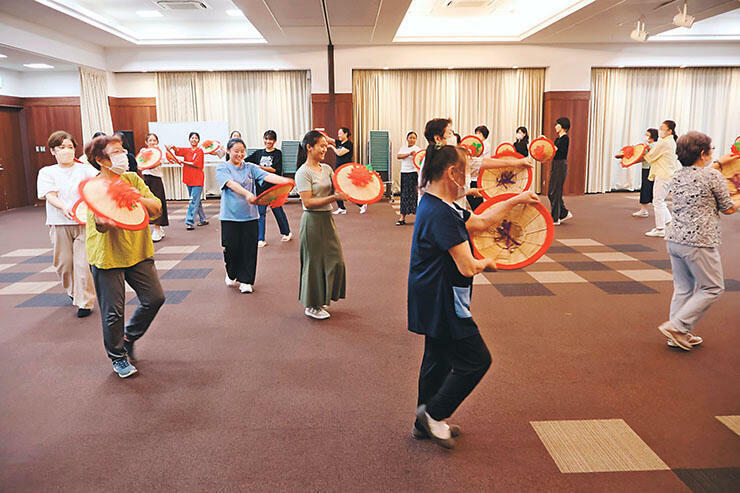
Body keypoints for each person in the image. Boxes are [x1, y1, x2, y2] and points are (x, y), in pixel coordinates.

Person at [408, 144, 541, 449]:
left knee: (437, 360)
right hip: (442, 300)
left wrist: (516, 199)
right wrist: (490, 262)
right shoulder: (441, 212)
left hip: (431, 294)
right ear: (451, 173)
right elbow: (468, 266)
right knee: (476, 360)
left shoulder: (437, 203)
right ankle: (433, 416)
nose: (469, 176)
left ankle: (421, 424)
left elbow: (480, 222)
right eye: (466, 170)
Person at [83, 134, 165, 378]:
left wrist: (131, 195)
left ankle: (129, 336)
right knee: (113, 311)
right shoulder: (94, 187)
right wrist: (107, 220)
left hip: (137, 250)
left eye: (122, 150)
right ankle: (118, 357)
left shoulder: (131, 179)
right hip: (107, 255)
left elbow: (157, 206)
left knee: (154, 298)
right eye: (116, 152)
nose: (123, 156)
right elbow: (99, 222)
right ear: (100, 159)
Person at [658, 132, 738, 351]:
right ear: (703, 153)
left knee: (683, 288)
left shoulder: (677, 175)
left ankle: (676, 333)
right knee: (712, 287)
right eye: (710, 150)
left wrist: (722, 162)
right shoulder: (712, 177)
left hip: (674, 238)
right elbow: (728, 208)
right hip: (699, 241)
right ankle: (677, 326)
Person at [217, 138, 294, 294]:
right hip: (229, 217)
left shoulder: (250, 167)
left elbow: (267, 176)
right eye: (236, 151)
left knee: (249, 249)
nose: (240, 154)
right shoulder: (222, 168)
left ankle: (246, 280)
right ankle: (231, 273)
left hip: (250, 216)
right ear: (228, 151)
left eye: (242, 151)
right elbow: (231, 184)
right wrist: (247, 193)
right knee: (231, 248)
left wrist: (285, 181)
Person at [36, 130, 98, 318]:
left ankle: (85, 302)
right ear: (53, 151)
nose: (66, 151)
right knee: (63, 264)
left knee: (82, 263)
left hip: (83, 222)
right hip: (59, 222)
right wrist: (63, 207)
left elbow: (98, 184)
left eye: (70, 147)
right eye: (62, 147)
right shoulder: (47, 172)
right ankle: (73, 291)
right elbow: (50, 195)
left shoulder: (85, 169)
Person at [294, 130, 348, 320]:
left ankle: (323, 296)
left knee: (336, 259)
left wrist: (359, 184)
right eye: (322, 146)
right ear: (310, 147)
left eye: (326, 145)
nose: (326, 149)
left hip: (327, 219)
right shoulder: (303, 172)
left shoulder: (327, 169)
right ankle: (312, 305)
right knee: (314, 263)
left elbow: (340, 186)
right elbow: (307, 202)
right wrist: (334, 197)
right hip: (312, 221)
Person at [420, 118, 532, 210]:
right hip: (443, 212)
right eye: (450, 133)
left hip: (448, 209)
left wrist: (516, 162)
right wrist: (467, 170)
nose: (454, 136)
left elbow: (483, 162)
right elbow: (455, 190)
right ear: (438, 138)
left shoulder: (449, 155)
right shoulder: (439, 160)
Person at [246, 130, 292, 247]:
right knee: (260, 213)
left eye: (270, 139)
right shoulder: (258, 153)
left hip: (274, 188)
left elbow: (275, 170)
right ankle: (260, 238)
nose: (268, 141)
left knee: (278, 211)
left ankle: (286, 232)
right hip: (260, 188)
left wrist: (260, 167)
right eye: (266, 139)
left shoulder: (278, 153)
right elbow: (245, 161)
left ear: (275, 141)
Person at [643, 120, 680, 237]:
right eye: (660, 127)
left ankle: (660, 228)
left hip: (664, 174)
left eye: (663, 128)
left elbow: (650, 156)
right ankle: (669, 224)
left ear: (670, 131)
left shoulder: (664, 143)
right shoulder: (668, 141)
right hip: (667, 174)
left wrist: (631, 157)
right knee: (660, 201)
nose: (660, 130)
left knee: (657, 201)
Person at [167, 132, 208, 230]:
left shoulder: (200, 151)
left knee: (193, 200)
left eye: (196, 138)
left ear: (198, 140)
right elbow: (178, 151)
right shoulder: (187, 150)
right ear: (189, 140)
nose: (194, 139)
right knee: (195, 200)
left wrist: (183, 161)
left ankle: (189, 221)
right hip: (189, 178)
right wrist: (173, 147)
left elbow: (196, 164)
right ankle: (203, 219)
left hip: (197, 179)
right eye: (192, 138)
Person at [328, 127, 366, 214]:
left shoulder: (348, 144)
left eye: (340, 133)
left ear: (346, 134)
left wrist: (331, 147)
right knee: (337, 187)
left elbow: (339, 153)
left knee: (347, 189)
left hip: (345, 169)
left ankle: (361, 204)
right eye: (338, 133)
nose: (338, 135)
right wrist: (318, 133)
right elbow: (328, 139)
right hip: (338, 168)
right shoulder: (339, 142)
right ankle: (341, 208)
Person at [140, 133, 169, 242]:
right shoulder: (143, 151)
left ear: (157, 142)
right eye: (150, 140)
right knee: (147, 203)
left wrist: (151, 162)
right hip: (146, 179)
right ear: (146, 142)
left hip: (156, 179)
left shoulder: (160, 153)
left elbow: (156, 164)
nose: (152, 142)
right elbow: (141, 163)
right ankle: (157, 228)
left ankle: (157, 228)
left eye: (154, 140)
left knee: (158, 202)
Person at [548, 117, 573, 225]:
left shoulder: (565, 138)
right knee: (551, 192)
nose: (555, 127)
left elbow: (555, 150)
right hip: (555, 165)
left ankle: (555, 218)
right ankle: (563, 213)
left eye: (557, 124)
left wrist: (545, 143)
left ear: (563, 126)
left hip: (561, 165)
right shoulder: (557, 139)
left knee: (556, 191)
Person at [396, 131, 421, 225]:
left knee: (414, 195)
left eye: (414, 138)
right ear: (407, 139)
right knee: (404, 194)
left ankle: (418, 217)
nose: (412, 139)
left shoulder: (418, 149)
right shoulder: (403, 148)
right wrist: (409, 154)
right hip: (404, 173)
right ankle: (402, 217)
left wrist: (416, 156)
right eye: (410, 137)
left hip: (413, 173)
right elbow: (398, 156)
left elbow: (421, 160)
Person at [633, 128, 658, 218]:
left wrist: (632, 161)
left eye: (647, 135)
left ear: (652, 136)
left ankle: (644, 210)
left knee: (647, 188)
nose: (646, 136)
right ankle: (644, 209)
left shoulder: (654, 145)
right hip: (646, 168)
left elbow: (648, 157)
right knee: (647, 188)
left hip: (650, 169)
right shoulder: (647, 145)